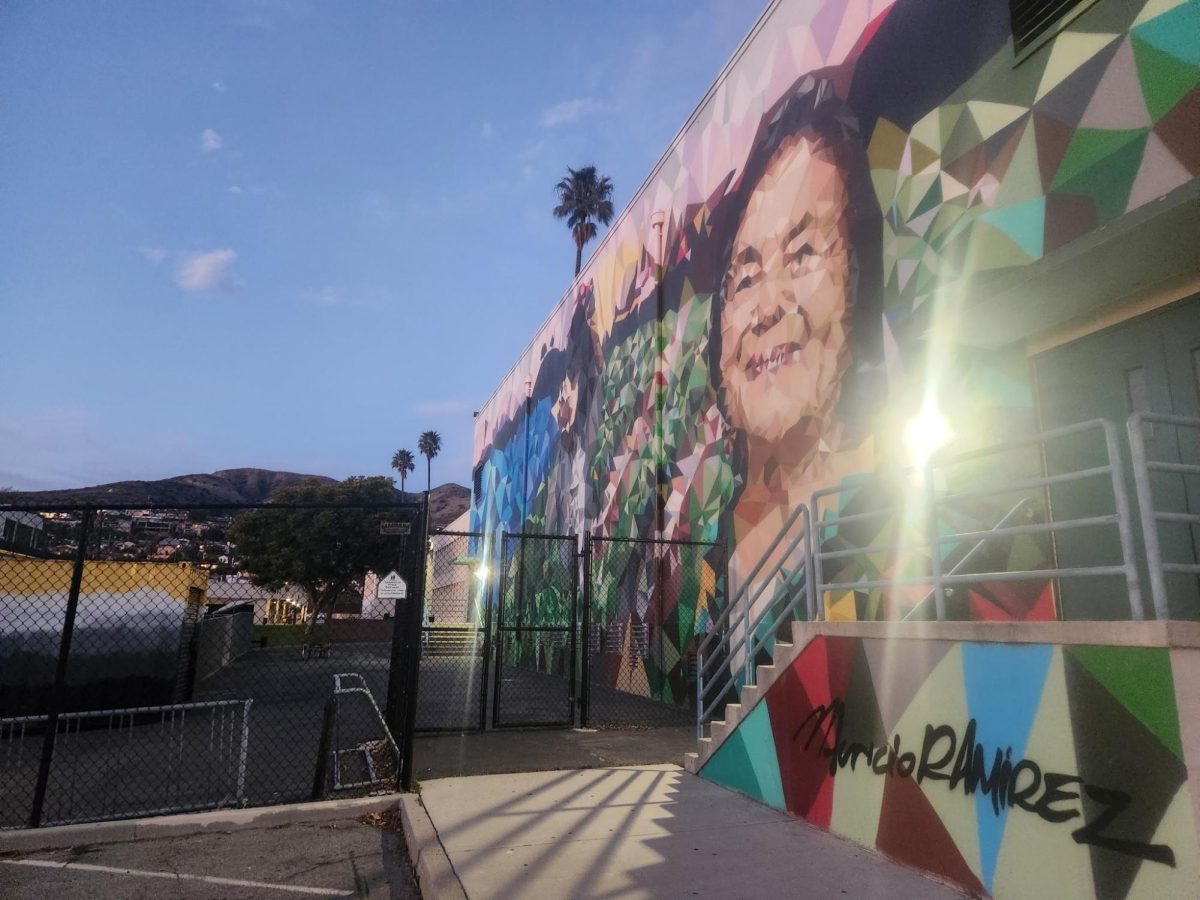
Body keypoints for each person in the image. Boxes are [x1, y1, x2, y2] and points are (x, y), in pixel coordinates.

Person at [716, 73, 882, 629]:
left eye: (805, 251)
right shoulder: (715, 553)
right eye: (745, 278)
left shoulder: (899, 527)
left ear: (857, 279)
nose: (767, 305)